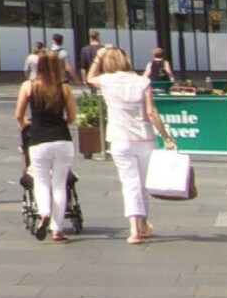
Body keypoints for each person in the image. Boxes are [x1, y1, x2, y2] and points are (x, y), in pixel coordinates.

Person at [89, 47, 174, 243]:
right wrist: (167, 137)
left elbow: (90, 78)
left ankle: (135, 230)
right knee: (144, 184)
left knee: (129, 183)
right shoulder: (142, 82)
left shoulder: (106, 81)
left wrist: (98, 57)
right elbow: (152, 113)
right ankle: (143, 223)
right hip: (144, 139)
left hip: (120, 138)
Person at [15, 49, 77, 243]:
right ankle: (57, 229)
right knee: (59, 184)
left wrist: (27, 122)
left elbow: (18, 114)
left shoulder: (29, 86)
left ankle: (44, 213)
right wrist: (61, 123)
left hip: (39, 140)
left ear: (38, 66)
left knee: (41, 181)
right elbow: (72, 117)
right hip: (62, 139)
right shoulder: (64, 88)